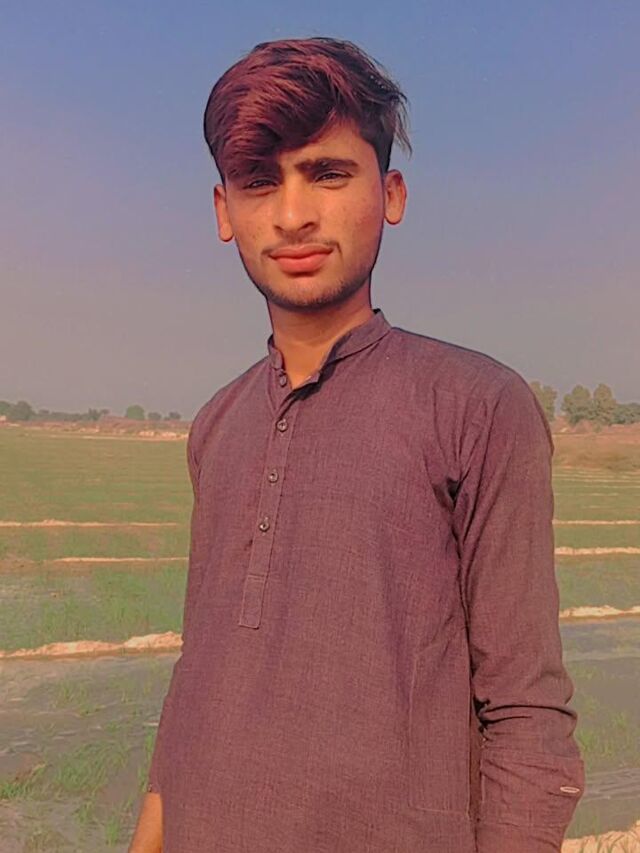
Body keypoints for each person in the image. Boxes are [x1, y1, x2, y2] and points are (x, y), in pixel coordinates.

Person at [128, 36, 584, 853]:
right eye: (259, 181)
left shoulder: (477, 407)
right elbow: (198, 672)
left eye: (327, 173)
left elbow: (526, 709)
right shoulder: (216, 425)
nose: (293, 214)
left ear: (391, 193)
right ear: (224, 212)